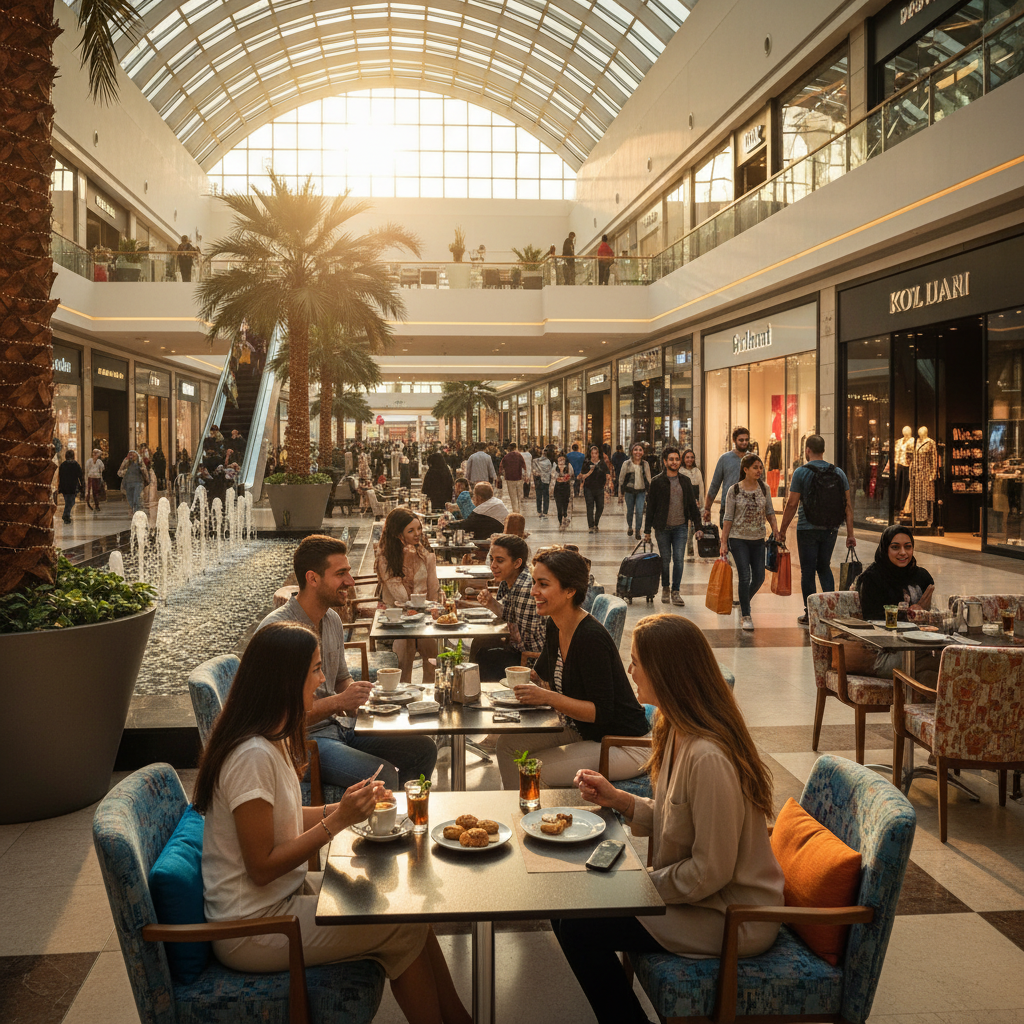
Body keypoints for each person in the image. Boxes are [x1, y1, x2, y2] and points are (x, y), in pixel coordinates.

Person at [192, 623, 470, 1024]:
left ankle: (458, 1019)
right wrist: (338, 821)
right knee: (400, 926)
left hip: (276, 903)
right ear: (287, 679)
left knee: (410, 909)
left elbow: (282, 820)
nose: (323, 680)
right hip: (252, 929)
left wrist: (342, 807)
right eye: (316, 670)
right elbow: (261, 866)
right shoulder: (251, 757)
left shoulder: (270, 739)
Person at [552, 615, 784, 1024]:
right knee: (567, 904)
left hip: (729, 916)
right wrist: (621, 799)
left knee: (578, 926)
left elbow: (709, 872)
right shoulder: (674, 728)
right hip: (700, 898)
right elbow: (681, 818)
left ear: (665, 671)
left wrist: (636, 886)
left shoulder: (708, 756)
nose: (630, 670)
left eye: (637, 661)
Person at [257, 535, 436, 792]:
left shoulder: (331, 619)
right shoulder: (278, 632)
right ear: (313, 578)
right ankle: (382, 825)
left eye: (349, 573)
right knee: (382, 774)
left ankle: (405, 819)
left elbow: (341, 679)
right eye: (341, 574)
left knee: (423, 748)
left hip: (337, 728)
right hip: (301, 744)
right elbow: (276, 719)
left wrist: (359, 696)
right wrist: (339, 702)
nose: (350, 582)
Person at [496, 547, 650, 788]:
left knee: (533, 769)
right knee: (507, 745)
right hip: (582, 729)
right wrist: (513, 684)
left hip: (624, 743)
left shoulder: (590, 638)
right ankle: (520, 813)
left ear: (570, 590)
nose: (533, 591)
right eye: (535, 582)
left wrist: (547, 697)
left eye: (543, 584)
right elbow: (540, 676)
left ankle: (541, 823)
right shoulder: (554, 625)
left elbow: (601, 713)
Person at [778, 435, 857, 625]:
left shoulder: (801, 472)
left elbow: (792, 504)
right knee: (824, 567)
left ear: (807, 450)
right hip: (830, 529)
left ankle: (811, 613)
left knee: (808, 571)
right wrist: (851, 534)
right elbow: (848, 506)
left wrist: (782, 530)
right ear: (823, 450)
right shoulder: (838, 473)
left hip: (807, 528)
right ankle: (831, 611)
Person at [375, 509, 440, 686]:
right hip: (395, 620)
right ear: (398, 534)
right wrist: (409, 563)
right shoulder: (385, 558)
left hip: (423, 615)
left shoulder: (425, 553)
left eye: (418, 529)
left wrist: (433, 609)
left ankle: (429, 695)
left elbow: (433, 587)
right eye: (410, 531)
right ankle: (404, 693)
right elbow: (401, 597)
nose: (417, 534)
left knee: (432, 655)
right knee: (407, 644)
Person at [470, 534, 548, 681]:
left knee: (485, 657)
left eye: (500, 561)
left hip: (532, 661)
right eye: (492, 559)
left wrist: (503, 641)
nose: (493, 565)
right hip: (521, 650)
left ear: (517, 563)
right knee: (480, 643)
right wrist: (492, 604)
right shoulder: (512, 581)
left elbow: (527, 642)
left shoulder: (525, 588)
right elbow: (511, 617)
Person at [721, 454, 780, 630]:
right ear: (745, 469)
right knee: (744, 576)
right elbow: (728, 517)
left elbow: (770, 511)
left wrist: (775, 529)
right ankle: (746, 614)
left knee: (760, 577)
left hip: (758, 538)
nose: (759, 471)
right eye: (755, 467)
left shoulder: (764, 488)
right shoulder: (734, 490)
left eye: (760, 467)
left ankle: (744, 600)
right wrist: (724, 542)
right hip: (738, 538)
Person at [643, 446, 702, 606]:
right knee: (665, 560)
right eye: (671, 459)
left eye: (677, 459)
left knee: (679, 560)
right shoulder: (656, 482)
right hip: (662, 528)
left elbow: (692, 506)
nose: (674, 462)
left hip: (681, 527)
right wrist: (647, 531)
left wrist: (698, 527)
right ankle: (665, 588)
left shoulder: (685, 481)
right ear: (665, 461)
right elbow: (650, 508)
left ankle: (676, 591)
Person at [703, 426, 751, 526]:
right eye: (741, 440)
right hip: (728, 507)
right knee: (728, 539)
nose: (744, 442)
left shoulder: (753, 459)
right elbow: (714, 485)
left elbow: (762, 485)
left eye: (746, 440)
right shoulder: (724, 459)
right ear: (734, 440)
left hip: (748, 508)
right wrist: (707, 508)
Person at [618, 442, 652, 540]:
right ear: (632, 451)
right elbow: (621, 479)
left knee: (640, 511)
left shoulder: (645, 464)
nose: (638, 452)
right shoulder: (626, 464)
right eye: (636, 450)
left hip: (641, 491)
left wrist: (651, 491)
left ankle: (638, 530)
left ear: (643, 452)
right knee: (629, 511)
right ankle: (629, 526)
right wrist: (620, 494)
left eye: (640, 450)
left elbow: (649, 479)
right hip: (629, 491)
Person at [680, 447, 704, 556]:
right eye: (687, 457)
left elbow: (701, 489)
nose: (690, 459)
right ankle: (688, 546)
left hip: (696, 502)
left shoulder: (697, 471)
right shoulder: (680, 471)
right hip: (684, 502)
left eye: (692, 457)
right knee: (686, 526)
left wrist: (701, 504)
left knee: (695, 525)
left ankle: (693, 547)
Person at [579, 444, 609, 532]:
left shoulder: (602, 463)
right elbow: (582, 476)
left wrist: (608, 482)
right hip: (588, 488)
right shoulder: (587, 463)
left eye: (595, 453)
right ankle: (591, 526)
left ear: (598, 454)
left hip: (599, 488)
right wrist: (589, 471)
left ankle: (596, 523)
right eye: (592, 453)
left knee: (600, 506)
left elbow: (607, 473)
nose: (594, 455)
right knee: (590, 507)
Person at [499, 442, 527, 513]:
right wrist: (526, 475)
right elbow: (524, 466)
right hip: (518, 477)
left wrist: (501, 474)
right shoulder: (519, 455)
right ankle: (519, 508)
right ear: (515, 448)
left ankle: (515, 510)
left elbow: (501, 467)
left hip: (509, 478)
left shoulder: (506, 456)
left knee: (512, 496)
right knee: (519, 495)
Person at [118, 450, 149, 514]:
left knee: (136, 498)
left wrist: (147, 478)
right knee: (130, 499)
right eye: (131, 455)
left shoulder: (140, 462)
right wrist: (124, 472)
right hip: (128, 483)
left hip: (138, 482)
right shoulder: (126, 462)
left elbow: (145, 471)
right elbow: (119, 472)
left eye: (134, 455)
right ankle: (133, 509)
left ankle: (136, 511)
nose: (133, 457)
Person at [57, 449, 84, 524]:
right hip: (73, 486)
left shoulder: (63, 465)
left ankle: (66, 515)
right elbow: (80, 475)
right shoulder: (75, 465)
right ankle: (66, 515)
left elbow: (60, 476)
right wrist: (82, 485)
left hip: (65, 486)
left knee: (68, 501)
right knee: (71, 502)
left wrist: (59, 486)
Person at [552, 454, 574, 530]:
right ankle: (560, 521)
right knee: (558, 505)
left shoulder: (568, 466)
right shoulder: (555, 467)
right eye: (559, 459)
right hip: (557, 488)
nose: (561, 461)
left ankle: (564, 515)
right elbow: (553, 476)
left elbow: (571, 475)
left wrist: (566, 477)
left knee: (565, 504)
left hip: (566, 487)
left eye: (563, 459)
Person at [532, 446, 553, 517]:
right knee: (546, 496)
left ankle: (539, 511)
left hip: (538, 479)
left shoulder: (536, 461)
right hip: (546, 480)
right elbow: (551, 472)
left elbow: (534, 471)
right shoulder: (549, 462)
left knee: (538, 495)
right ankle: (545, 511)